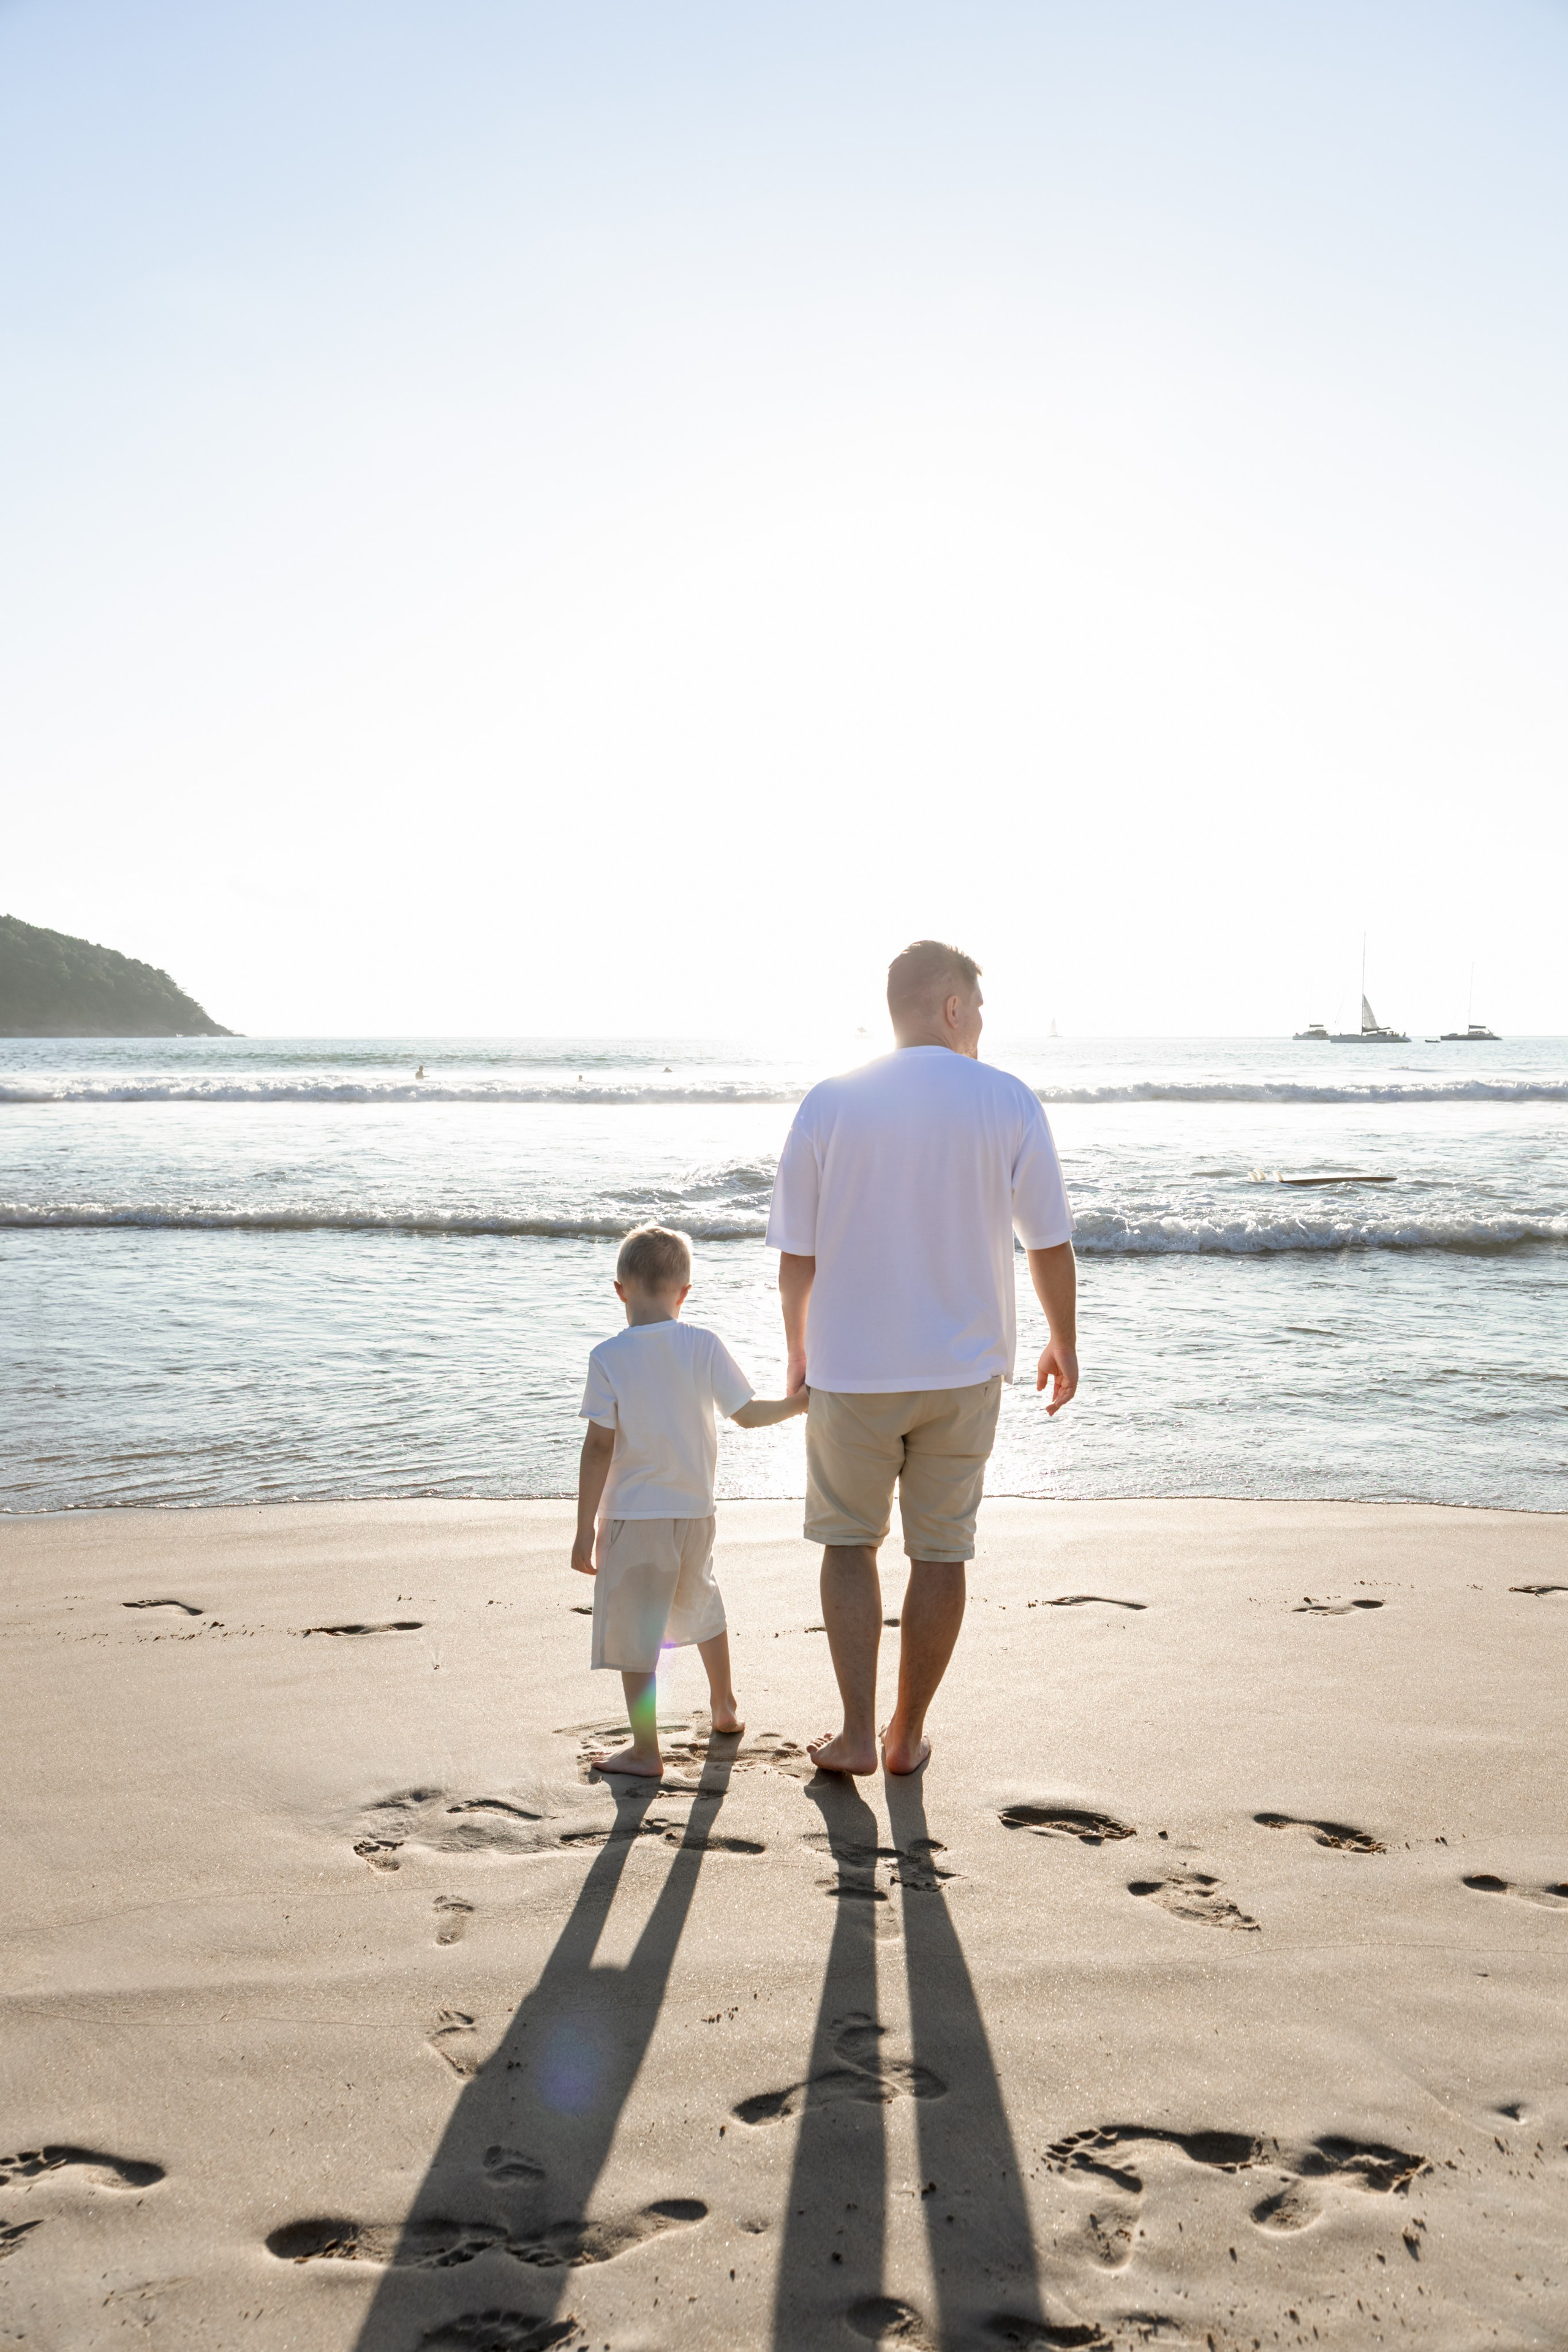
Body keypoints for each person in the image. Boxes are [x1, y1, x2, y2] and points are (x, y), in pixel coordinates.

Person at [765, 940, 1077, 1777]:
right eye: (976, 1009)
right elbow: (1048, 1242)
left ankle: (857, 1734)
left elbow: (795, 1256)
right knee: (941, 1553)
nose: (980, 1025)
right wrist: (1063, 1343)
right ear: (951, 1007)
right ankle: (907, 1737)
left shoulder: (831, 1102)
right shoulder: (1008, 1100)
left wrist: (797, 1350)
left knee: (848, 1545)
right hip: (964, 1372)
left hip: (851, 1371)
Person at [573, 1224, 807, 1777]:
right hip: (696, 1511)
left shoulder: (608, 1356)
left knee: (637, 1631)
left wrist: (585, 1528)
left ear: (619, 1290)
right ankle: (725, 1707)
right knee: (701, 1604)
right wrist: (800, 1404)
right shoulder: (703, 1344)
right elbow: (747, 1414)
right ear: (684, 1292)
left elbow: (598, 1447)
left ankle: (645, 1750)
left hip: (634, 1515)